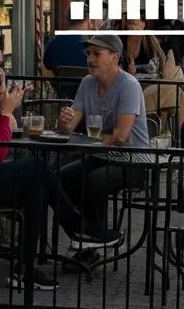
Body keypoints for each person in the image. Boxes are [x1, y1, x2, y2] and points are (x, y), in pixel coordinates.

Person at [0, 42, 102, 292]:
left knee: (35, 186)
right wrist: (6, 111)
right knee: (37, 169)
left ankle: (27, 267)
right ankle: (75, 229)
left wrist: (0, 108)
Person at [56, 34, 150, 246]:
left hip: (134, 160)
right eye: (88, 53)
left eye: (97, 54)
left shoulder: (129, 85)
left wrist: (87, 143)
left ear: (115, 57)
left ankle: (94, 237)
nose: (90, 59)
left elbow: (121, 135)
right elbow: (68, 128)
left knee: (93, 180)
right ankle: (84, 232)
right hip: (101, 155)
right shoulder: (87, 82)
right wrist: (64, 122)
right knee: (60, 177)